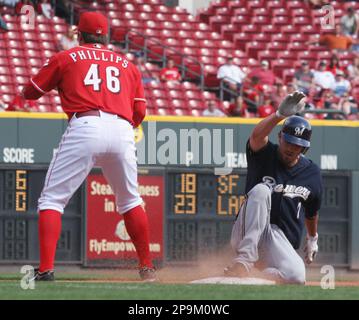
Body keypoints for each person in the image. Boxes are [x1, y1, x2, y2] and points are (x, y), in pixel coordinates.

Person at [22, 11, 156, 282]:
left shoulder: (66, 56)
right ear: (105, 35)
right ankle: (146, 267)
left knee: (52, 200)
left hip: (86, 124)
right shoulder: (127, 65)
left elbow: (32, 90)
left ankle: (46, 269)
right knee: (130, 200)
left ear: (78, 34)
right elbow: (140, 110)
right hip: (122, 128)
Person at [224, 92, 322, 284]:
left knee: (296, 277)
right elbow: (256, 136)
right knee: (261, 190)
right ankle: (243, 261)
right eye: (288, 141)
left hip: (278, 241)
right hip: (246, 231)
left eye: (297, 145)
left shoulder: (312, 172)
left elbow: (312, 211)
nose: (291, 147)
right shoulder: (264, 155)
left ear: (304, 148)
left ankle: (254, 277)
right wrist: (279, 115)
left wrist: (312, 238)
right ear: (279, 136)